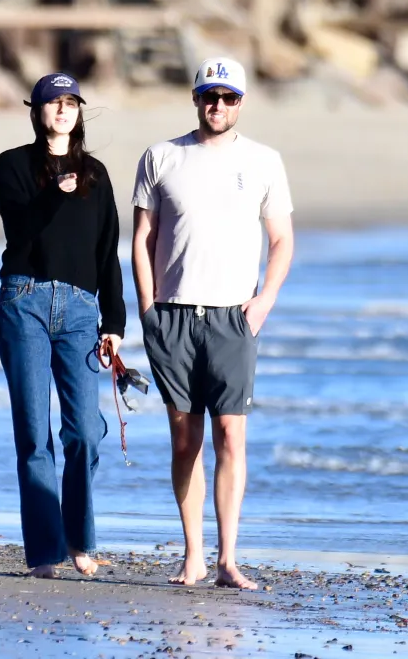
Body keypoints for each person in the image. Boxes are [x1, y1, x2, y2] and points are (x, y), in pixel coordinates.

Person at [131, 57, 295, 590]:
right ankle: (193, 555)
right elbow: (142, 238)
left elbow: (281, 240)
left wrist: (264, 299)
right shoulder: (161, 156)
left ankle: (228, 560)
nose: (217, 106)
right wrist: (148, 308)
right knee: (185, 440)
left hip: (233, 316)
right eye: (209, 96)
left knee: (231, 435)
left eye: (227, 98)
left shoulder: (265, 161)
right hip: (173, 314)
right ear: (196, 98)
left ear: (241, 103)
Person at [0, 73, 126, 579]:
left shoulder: (96, 173)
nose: (64, 110)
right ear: (37, 110)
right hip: (23, 299)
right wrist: (55, 194)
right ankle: (47, 553)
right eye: (54, 102)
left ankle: (81, 540)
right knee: (33, 435)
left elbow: (106, 250)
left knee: (85, 433)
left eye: (71, 102)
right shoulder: (13, 165)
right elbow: (20, 228)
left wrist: (114, 321)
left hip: (79, 310)